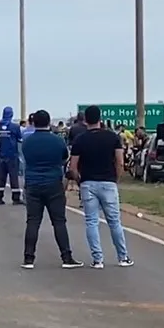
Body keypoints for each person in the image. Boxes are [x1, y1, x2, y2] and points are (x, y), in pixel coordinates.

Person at [68, 105, 134, 269]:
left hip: (88, 183)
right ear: (100, 119)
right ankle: (122, 257)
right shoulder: (112, 138)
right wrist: (116, 178)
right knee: (114, 222)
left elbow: (73, 167)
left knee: (91, 221)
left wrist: (79, 180)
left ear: (85, 120)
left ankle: (98, 259)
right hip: (108, 182)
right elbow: (120, 162)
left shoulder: (80, 140)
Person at [21, 110, 83, 269]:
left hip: (33, 184)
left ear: (34, 122)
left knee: (33, 221)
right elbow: (64, 158)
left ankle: (29, 258)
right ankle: (66, 257)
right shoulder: (57, 141)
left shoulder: (27, 141)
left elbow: (26, 158)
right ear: (49, 122)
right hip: (53, 184)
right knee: (59, 221)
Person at [0, 106, 23, 205]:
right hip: (12, 155)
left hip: (2, 154)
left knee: (1, 177)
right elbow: (20, 138)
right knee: (13, 177)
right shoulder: (15, 127)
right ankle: (15, 198)